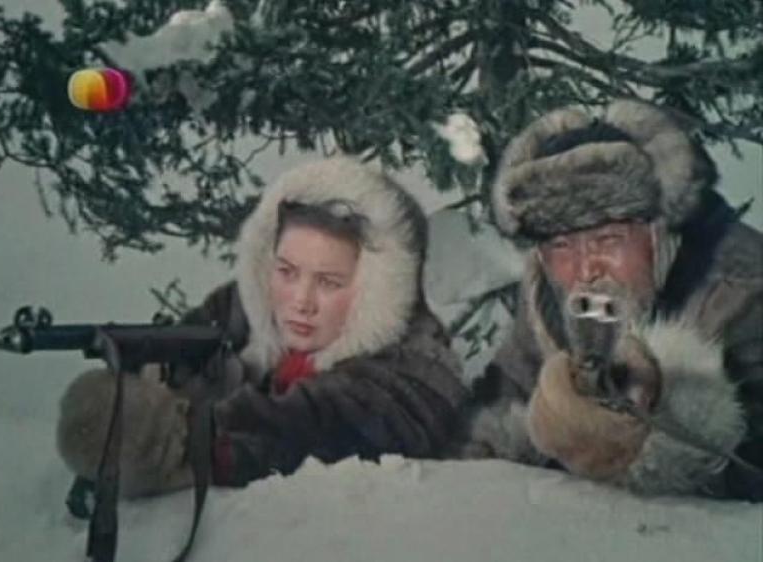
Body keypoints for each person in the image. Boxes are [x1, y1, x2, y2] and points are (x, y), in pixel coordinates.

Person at [56, 157, 467, 495]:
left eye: (329, 282)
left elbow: (314, 425)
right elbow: (184, 341)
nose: (301, 300)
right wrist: (143, 377)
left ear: (376, 285)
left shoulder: (416, 374)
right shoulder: (253, 308)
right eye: (287, 271)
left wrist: (197, 440)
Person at [455, 99, 763, 501]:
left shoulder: (742, 289)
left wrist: (666, 435)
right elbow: (498, 399)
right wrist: (535, 429)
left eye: (607, 239)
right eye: (562, 245)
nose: (586, 270)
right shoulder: (547, 295)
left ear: (658, 232)